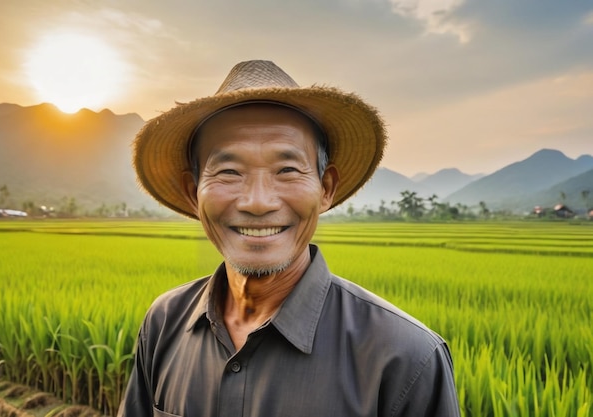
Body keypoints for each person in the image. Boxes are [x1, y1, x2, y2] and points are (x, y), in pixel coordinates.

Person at [119, 60, 461, 417]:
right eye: (229, 172)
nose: (258, 202)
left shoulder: (407, 357)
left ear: (326, 188)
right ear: (194, 193)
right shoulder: (164, 323)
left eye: (287, 170)